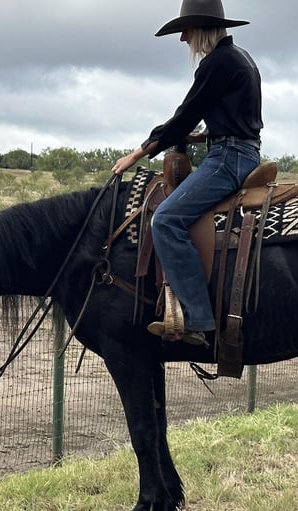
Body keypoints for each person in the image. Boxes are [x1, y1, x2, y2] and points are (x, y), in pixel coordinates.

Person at [112, 0, 262, 347]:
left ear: (200, 29)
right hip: (243, 150)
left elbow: (185, 115)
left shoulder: (217, 63)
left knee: (164, 220)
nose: (183, 40)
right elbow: (236, 117)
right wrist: (204, 135)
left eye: (185, 31)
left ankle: (197, 317)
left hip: (228, 158)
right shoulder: (242, 58)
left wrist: (138, 153)